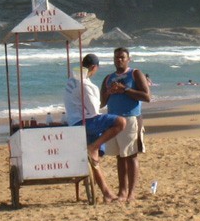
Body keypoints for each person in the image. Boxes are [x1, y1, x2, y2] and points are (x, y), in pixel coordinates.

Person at [64, 54, 128, 202]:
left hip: (73, 122)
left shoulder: (71, 80)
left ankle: (107, 194)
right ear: (94, 67)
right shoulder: (86, 85)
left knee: (95, 159)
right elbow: (94, 110)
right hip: (85, 122)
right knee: (120, 122)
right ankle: (94, 146)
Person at [101, 47, 151, 202]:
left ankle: (131, 193)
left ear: (128, 59)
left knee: (131, 155)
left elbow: (146, 96)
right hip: (113, 120)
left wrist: (125, 90)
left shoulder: (135, 74)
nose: (119, 60)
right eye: (116, 57)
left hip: (131, 118)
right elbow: (102, 102)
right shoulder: (108, 78)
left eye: (122, 57)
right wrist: (110, 91)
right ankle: (122, 191)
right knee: (120, 157)